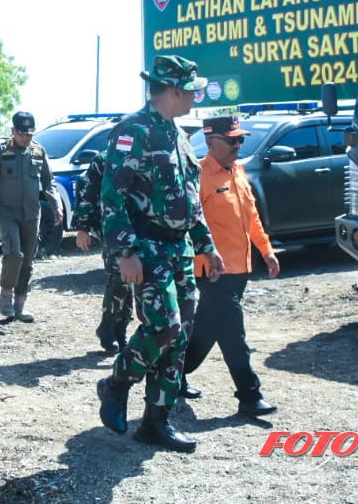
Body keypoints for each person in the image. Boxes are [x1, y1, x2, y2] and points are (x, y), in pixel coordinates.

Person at [96, 54, 224, 454]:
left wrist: (207, 246)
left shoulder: (179, 135)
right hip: (147, 247)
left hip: (180, 248)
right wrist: (126, 252)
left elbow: (191, 202)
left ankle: (156, 421)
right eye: (190, 91)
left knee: (180, 336)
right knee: (163, 327)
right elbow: (112, 196)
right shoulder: (133, 130)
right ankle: (117, 382)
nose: (195, 97)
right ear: (171, 90)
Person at [181, 115, 280, 419]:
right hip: (213, 272)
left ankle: (172, 374)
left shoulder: (238, 171)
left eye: (241, 140)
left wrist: (266, 250)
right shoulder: (198, 175)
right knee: (233, 333)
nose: (238, 145)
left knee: (207, 330)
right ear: (211, 142)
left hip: (241, 269)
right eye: (232, 140)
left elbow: (252, 217)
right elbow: (188, 225)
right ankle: (250, 395)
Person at [0, 111, 60, 322]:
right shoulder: (1, 151)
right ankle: (6, 294)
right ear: (13, 130)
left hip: (31, 213)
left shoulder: (38, 151)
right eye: (22, 133)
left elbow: (49, 182)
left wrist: (56, 205)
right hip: (7, 212)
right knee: (14, 254)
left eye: (29, 133)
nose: (26, 137)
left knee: (28, 260)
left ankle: (20, 305)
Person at [74, 155, 132, 353]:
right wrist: (83, 227)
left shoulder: (146, 154)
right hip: (111, 225)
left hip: (138, 226)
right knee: (119, 275)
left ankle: (121, 330)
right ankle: (108, 327)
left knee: (131, 280)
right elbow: (87, 192)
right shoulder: (106, 158)